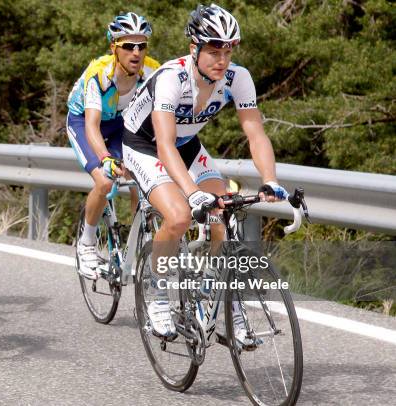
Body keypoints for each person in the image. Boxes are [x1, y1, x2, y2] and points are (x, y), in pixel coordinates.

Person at [122, 4, 289, 341]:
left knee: (223, 213)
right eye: (213, 51)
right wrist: (193, 191)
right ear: (193, 49)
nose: (222, 60)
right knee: (180, 216)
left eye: (227, 51)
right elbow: (164, 144)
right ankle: (156, 291)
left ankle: (219, 299)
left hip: (186, 145)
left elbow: (255, 133)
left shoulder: (237, 78)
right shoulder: (172, 78)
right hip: (145, 143)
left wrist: (270, 179)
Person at [67, 12, 160, 280]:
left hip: (121, 125)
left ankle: (140, 237)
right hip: (84, 122)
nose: (136, 52)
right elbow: (92, 126)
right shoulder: (100, 75)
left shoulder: (153, 70)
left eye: (141, 46)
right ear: (114, 48)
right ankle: (86, 242)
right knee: (105, 181)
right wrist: (106, 158)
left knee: (140, 175)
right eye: (128, 46)